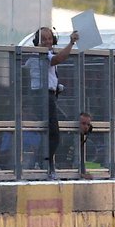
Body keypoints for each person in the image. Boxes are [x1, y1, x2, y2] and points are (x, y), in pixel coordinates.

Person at [29, 26, 79, 180]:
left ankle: (44, 163)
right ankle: (44, 164)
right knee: (54, 134)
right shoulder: (41, 56)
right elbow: (57, 59)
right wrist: (71, 43)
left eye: (50, 38)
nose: (47, 42)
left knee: (55, 132)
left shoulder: (45, 55)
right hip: (42, 96)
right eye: (43, 39)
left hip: (50, 95)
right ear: (37, 42)